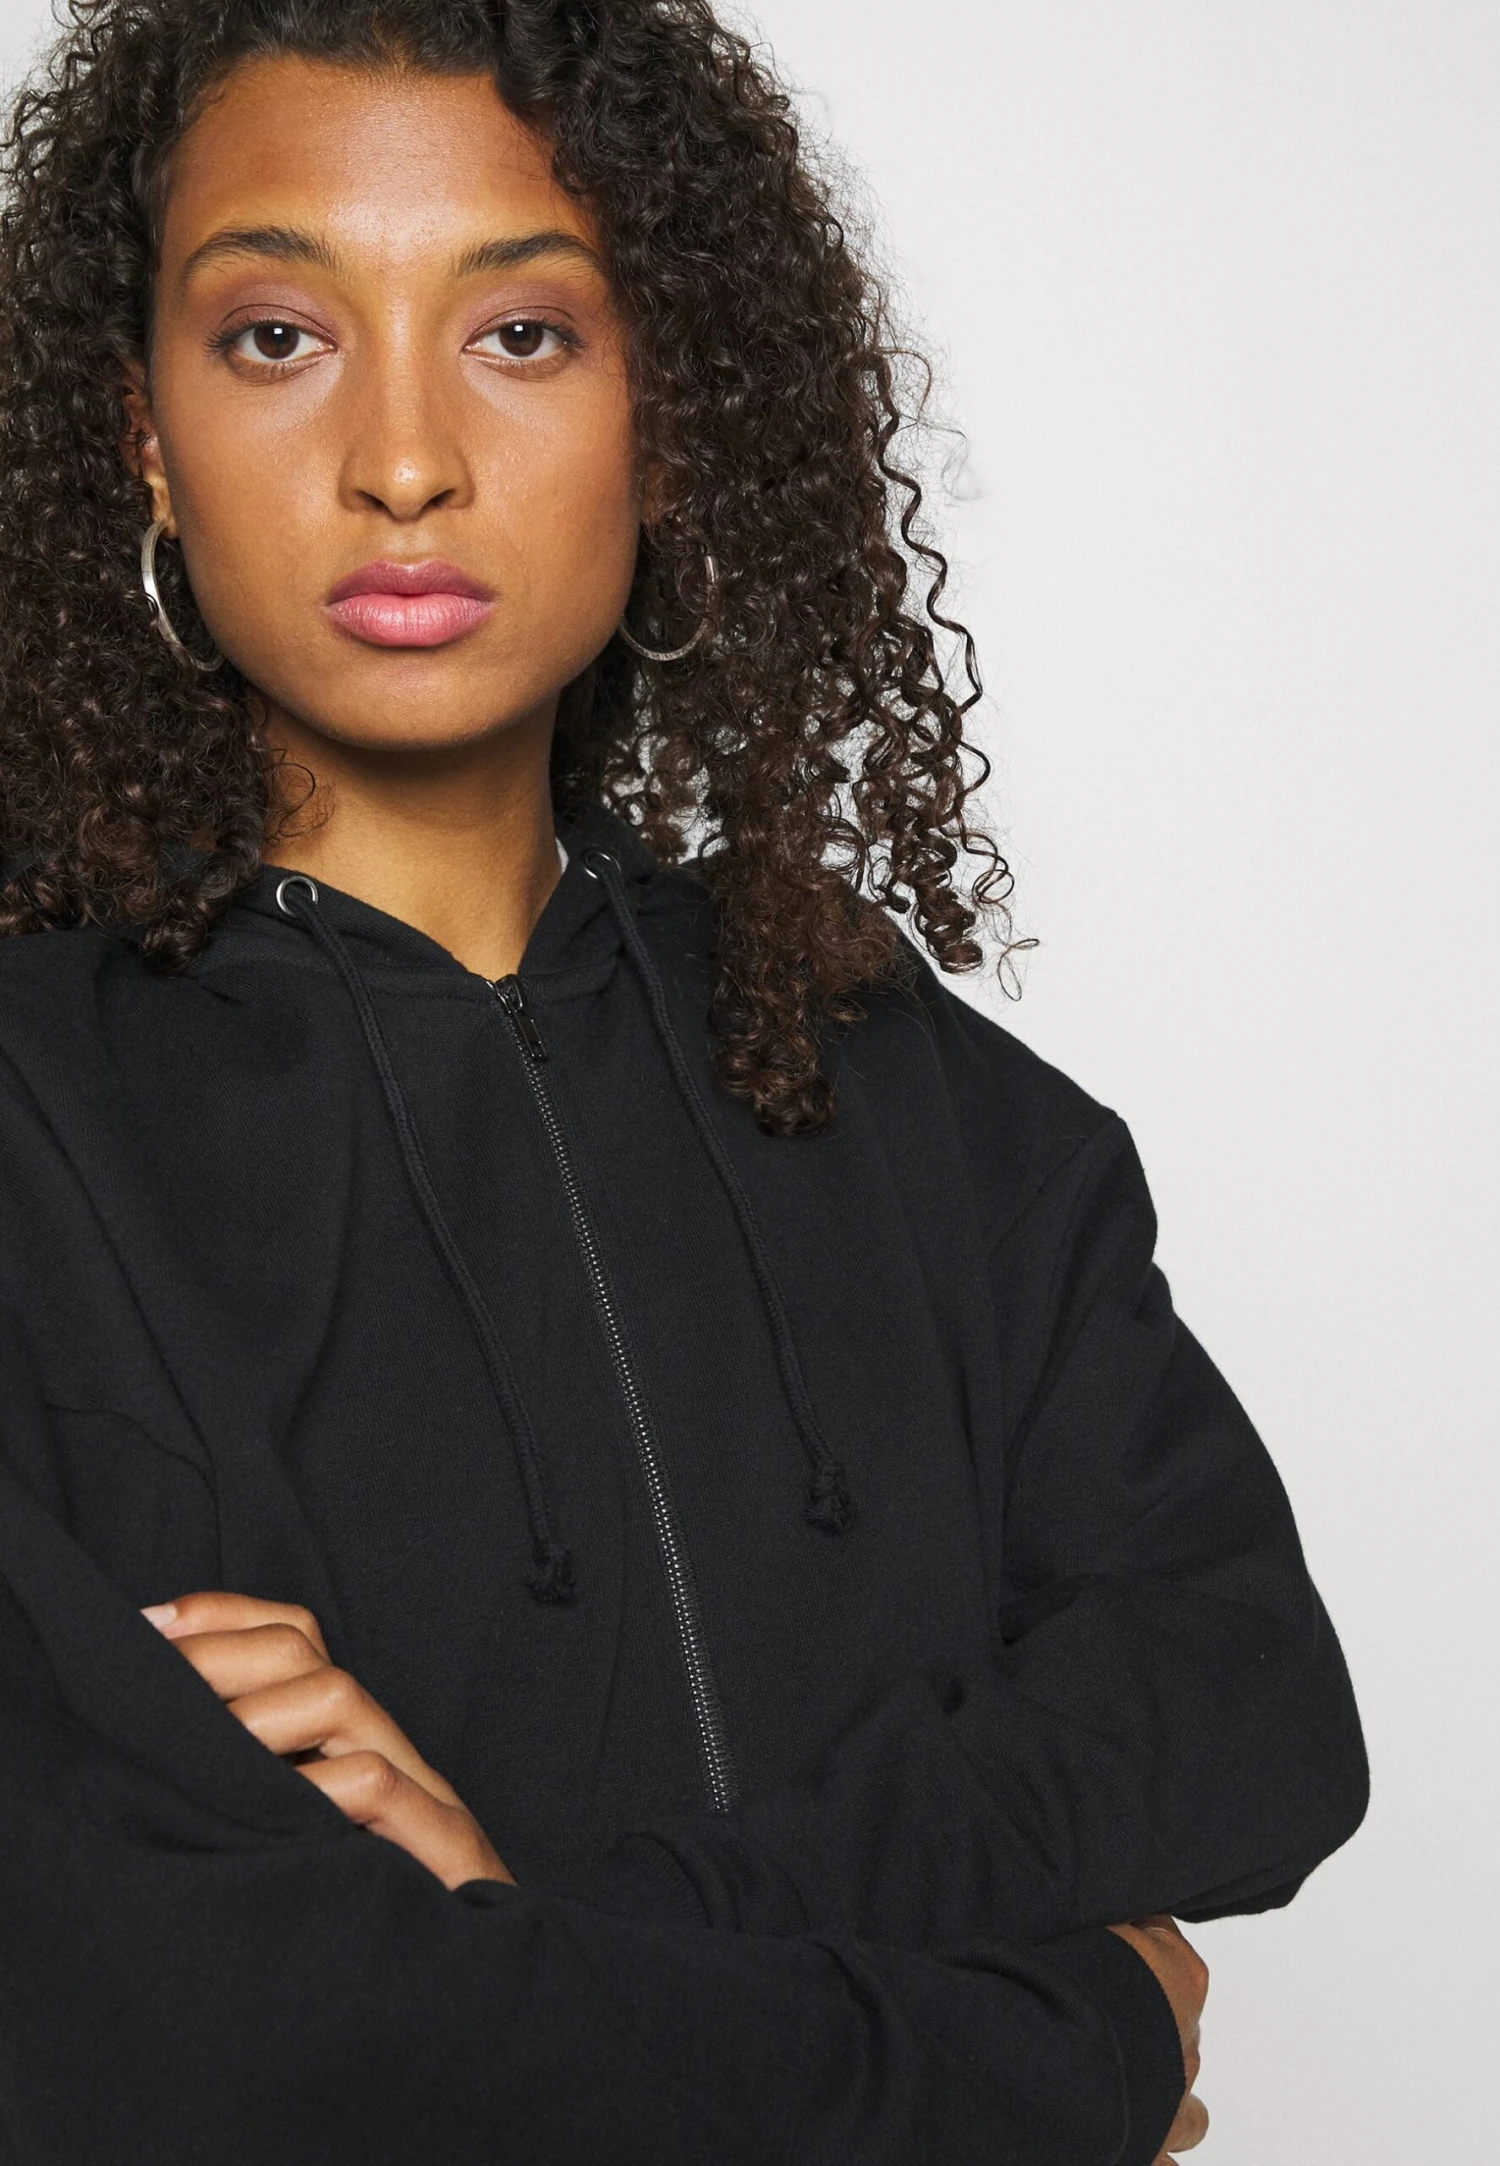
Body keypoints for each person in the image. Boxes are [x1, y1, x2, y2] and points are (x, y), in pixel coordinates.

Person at [0, 3, 1369, 2161]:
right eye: (276, 337)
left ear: (672, 413)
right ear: (144, 437)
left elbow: (1252, 1721)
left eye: (523, 334)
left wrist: (542, 1927)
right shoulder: (29, 1129)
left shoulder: (918, 1092)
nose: (404, 461)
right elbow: (204, 2037)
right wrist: (1075, 2044)